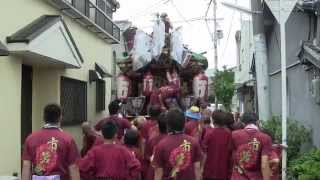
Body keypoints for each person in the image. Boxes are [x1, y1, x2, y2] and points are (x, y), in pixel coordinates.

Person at [22, 104, 80, 180]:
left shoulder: (30, 138)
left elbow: (26, 165)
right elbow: (73, 167)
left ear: (43, 118)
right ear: (60, 118)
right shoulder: (68, 139)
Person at [152, 109, 203, 180]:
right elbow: (197, 167)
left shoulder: (161, 145)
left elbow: (158, 172)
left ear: (168, 125)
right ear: (184, 123)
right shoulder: (194, 142)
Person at [231, 112, 272, 180]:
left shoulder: (234, 135)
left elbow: (230, 156)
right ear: (257, 122)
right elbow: (264, 165)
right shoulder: (265, 138)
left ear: (243, 123)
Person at [202, 111, 232, 180]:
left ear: (213, 120)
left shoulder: (209, 133)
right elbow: (230, 152)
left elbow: (204, 153)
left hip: (209, 170)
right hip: (223, 171)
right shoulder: (228, 133)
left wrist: (201, 170)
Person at [144, 112, 168, 180]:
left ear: (158, 125)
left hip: (153, 173)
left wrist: (152, 158)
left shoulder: (152, 139)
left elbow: (146, 156)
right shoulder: (173, 141)